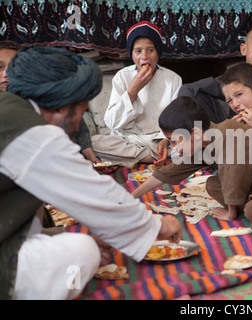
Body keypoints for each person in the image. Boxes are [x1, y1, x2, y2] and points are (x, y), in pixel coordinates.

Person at [0, 46, 182, 300]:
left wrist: (53, 237)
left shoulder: (13, 112)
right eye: (81, 112)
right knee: (82, 250)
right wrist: (155, 226)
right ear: (64, 107)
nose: (77, 126)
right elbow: (89, 189)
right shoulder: (28, 128)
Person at [132, 96, 252, 231]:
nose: (173, 148)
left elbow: (234, 176)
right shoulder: (203, 141)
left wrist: (230, 213)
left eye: (174, 141)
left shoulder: (228, 136)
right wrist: (133, 196)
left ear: (195, 132)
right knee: (213, 184)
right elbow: (169, 172)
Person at [91, 21, 183, 168]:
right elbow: (112, 122)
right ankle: (146, 157)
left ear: (158, 52)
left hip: (160, 140)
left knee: (192, 143)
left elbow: (177, 119)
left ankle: (143, 156)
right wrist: (132, 90)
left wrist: (165, 140)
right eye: (138, 51)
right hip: (129, 140)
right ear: (132, 54)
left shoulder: (173, 79)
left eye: (150, 50)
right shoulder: (122, 77)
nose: (144, 56)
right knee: (94, 143)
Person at [0, 40, 102, 167]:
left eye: (12, 68)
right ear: (59, 109)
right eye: (0, 67)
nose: (6, 74)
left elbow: (80, 132)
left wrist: (91, 158)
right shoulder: (39, 138)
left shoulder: (37, 103)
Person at [177, 26, 252, 124]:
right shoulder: (232, 78)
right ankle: (204, 136)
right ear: (244, 49)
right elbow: (189, 88)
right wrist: (186, 116)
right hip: (233, 130)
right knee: (197, 95)